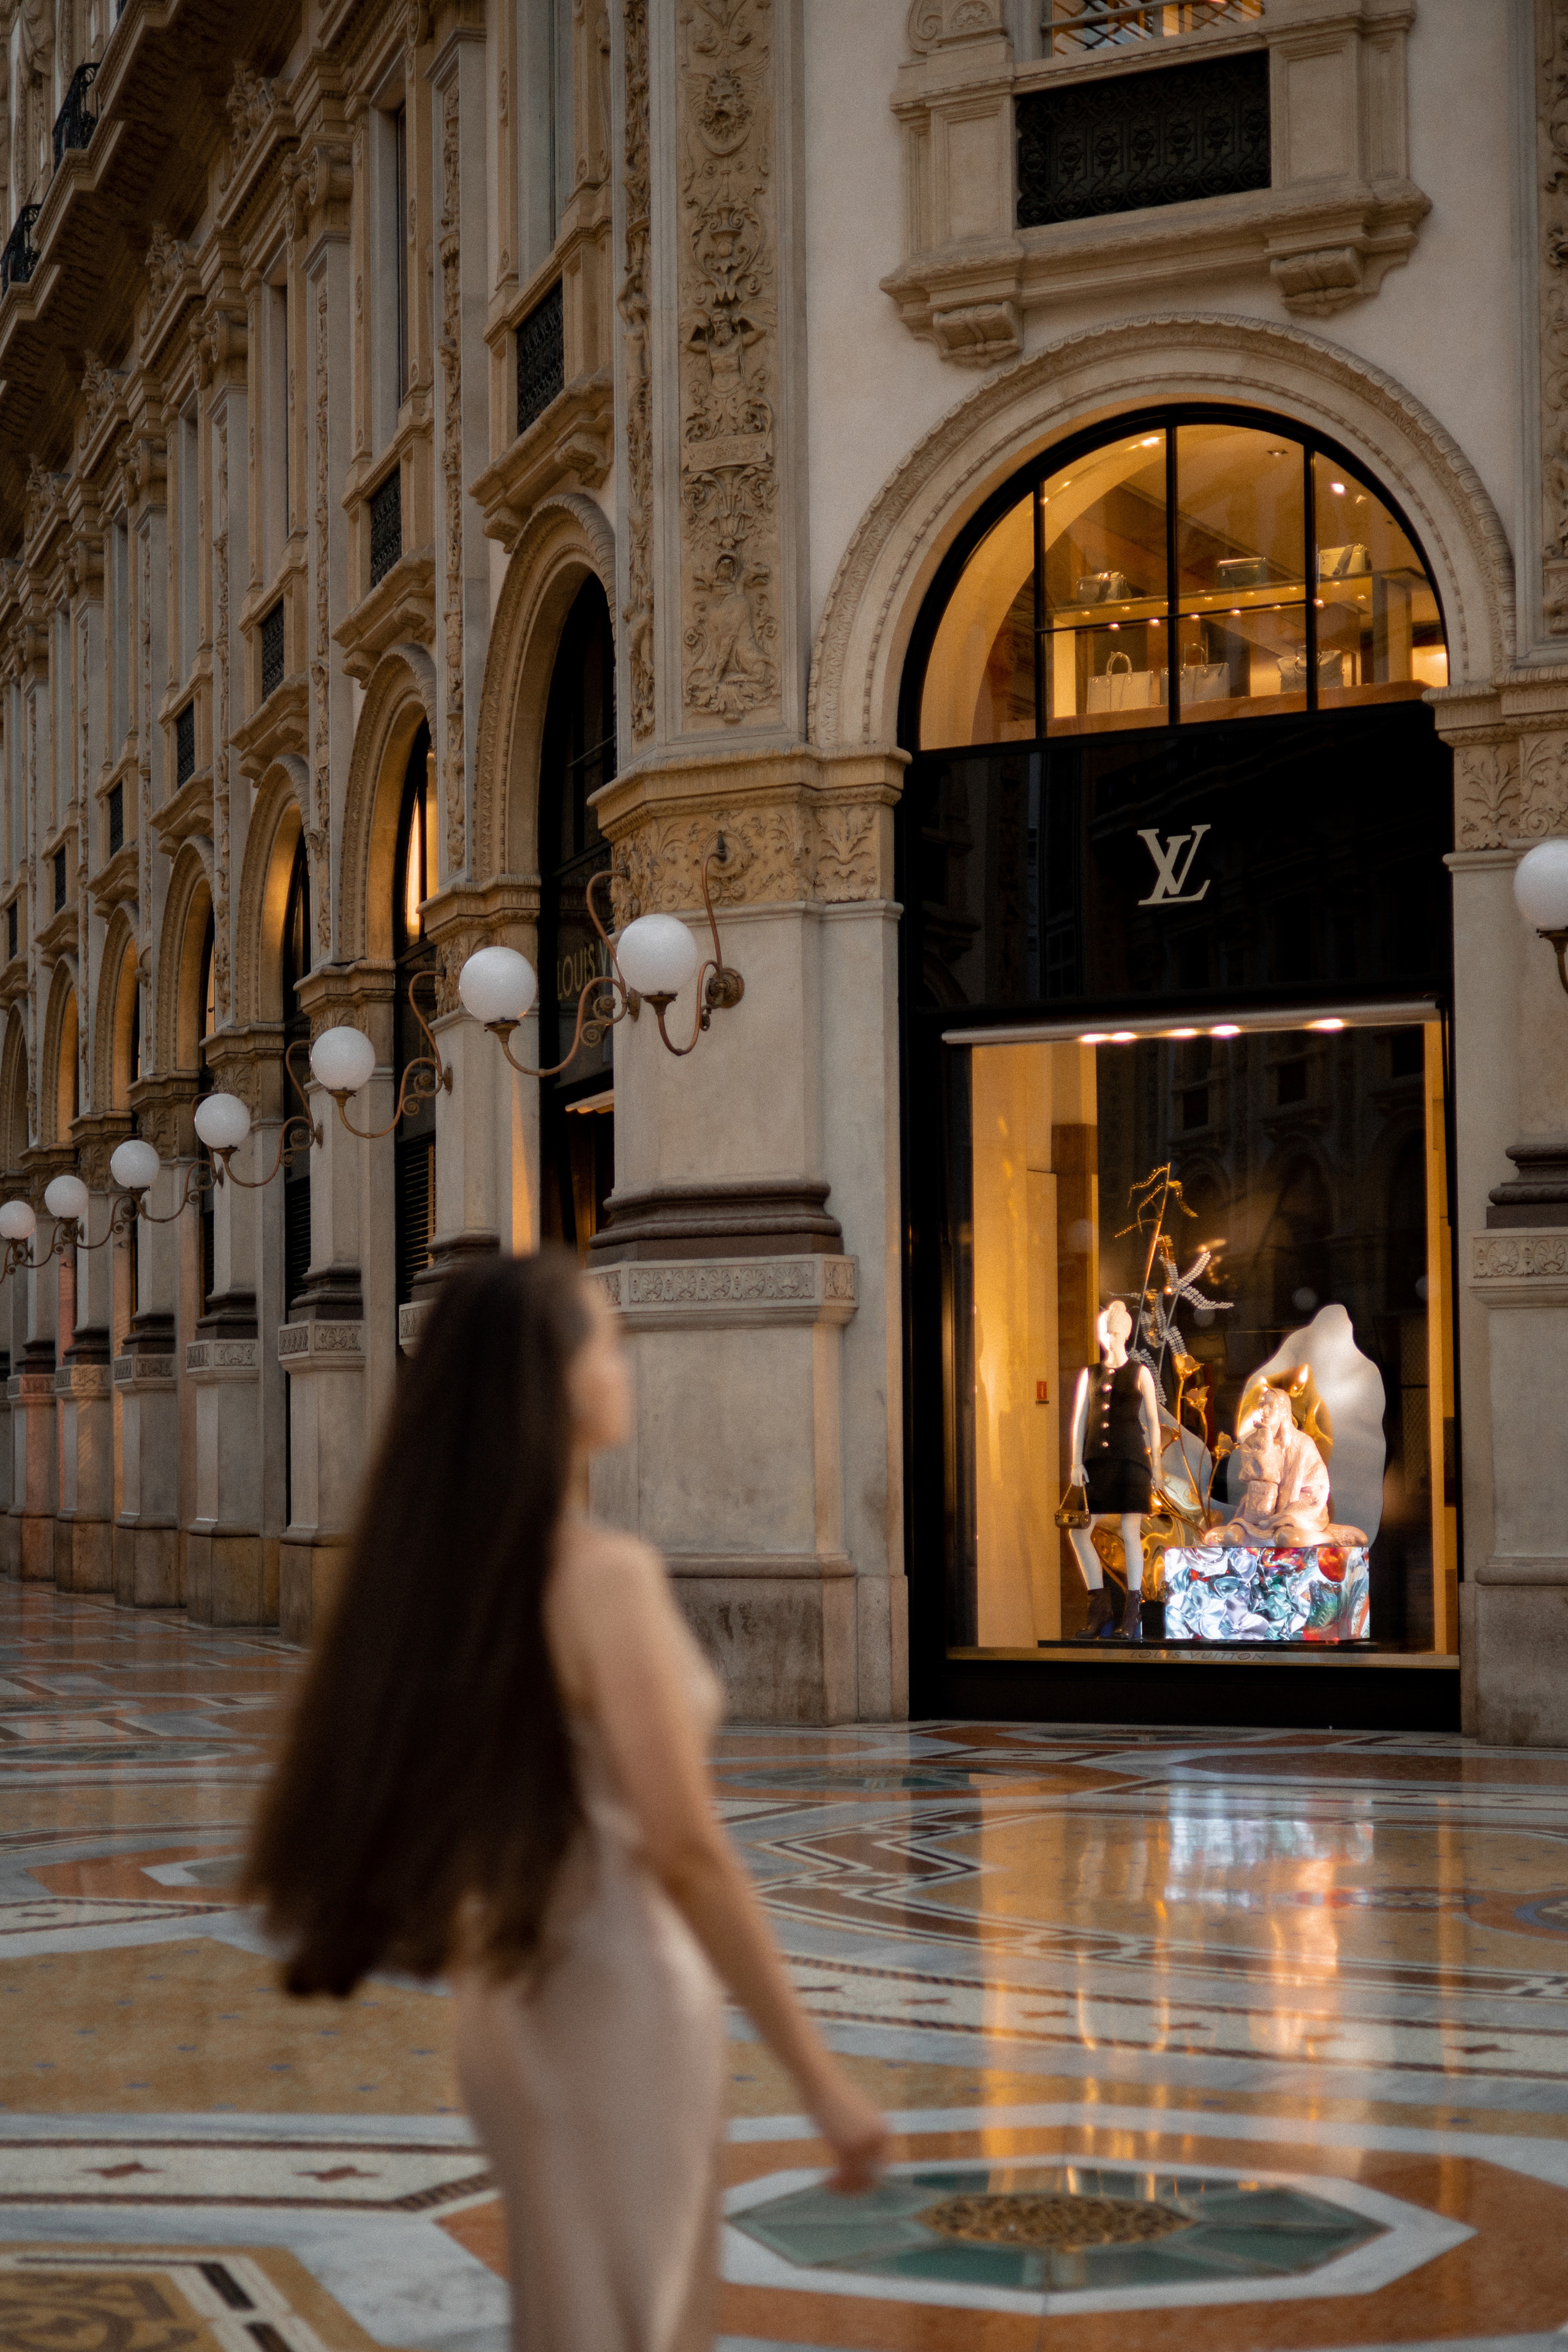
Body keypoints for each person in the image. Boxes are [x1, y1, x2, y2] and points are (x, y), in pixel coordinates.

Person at [243, 1250, 886, 2351]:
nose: (623, 1360)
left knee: (574, 2321)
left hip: (511, 2000)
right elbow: (685, 1850)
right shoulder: (603, 1579)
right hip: (619, 2003)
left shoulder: (450, 1582)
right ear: (547, 1381)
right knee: (636, 2326)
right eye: (602, 1337)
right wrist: (820, 2078)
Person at [1066, 1299, 1163, 1641]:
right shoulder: (1089, 1374)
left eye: (1117, 1331)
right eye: (1106, 1332)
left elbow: (1153, 1420)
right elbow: (1080, 1419)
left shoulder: (1140, 1373)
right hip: (1095, 1465)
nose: (1111, 1337)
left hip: (1131, 1463)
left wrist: (1158, 1468)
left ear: (1126, 1334)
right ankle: (1100, 1606)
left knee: (1130, 1529)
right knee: (1078, 1530)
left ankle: (1132, 1612)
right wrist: (1076, 1461)